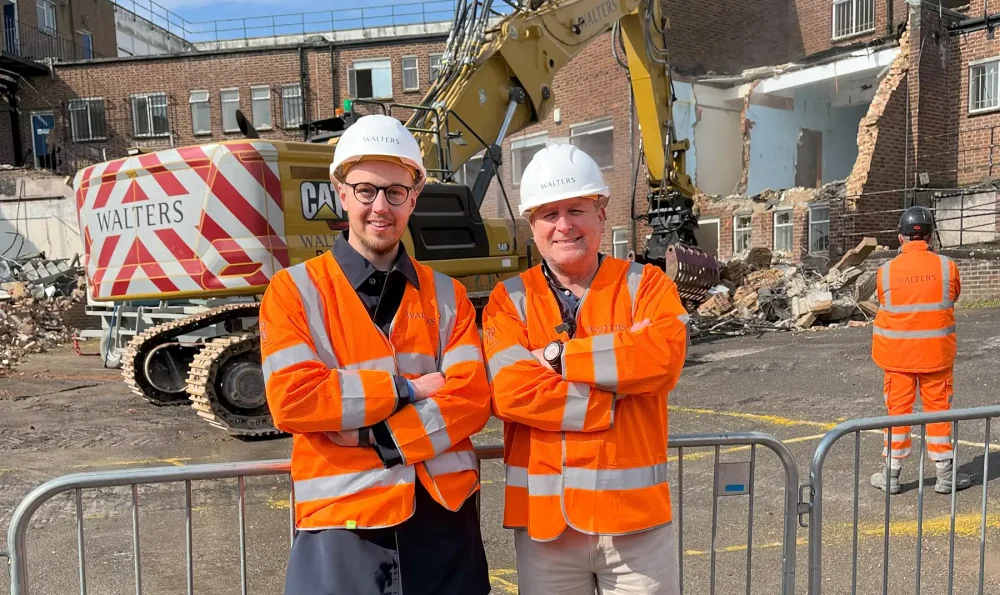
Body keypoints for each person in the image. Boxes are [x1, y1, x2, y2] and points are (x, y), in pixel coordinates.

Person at [259, 114, 492, 595]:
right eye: (366, 190)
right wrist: (407, 389)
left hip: (444, 528)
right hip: (343, 533)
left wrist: (376, 435)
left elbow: (470, 398)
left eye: (396, 191)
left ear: (415, 197)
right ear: (341, 192)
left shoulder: (447, 296)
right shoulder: (293, 292)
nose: (380, 206)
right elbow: (295, 400)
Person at [481, 142, 689, 595]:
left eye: (576, 209)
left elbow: (662, 359)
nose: (563, 225)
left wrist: (558, 358)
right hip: (546, 530)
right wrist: (609, 399)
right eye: (548, 214)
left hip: (636, 528)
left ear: (601, 212)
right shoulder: (508, 300)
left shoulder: (646, 284)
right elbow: (510, 392)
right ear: (531, 224)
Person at [870, 205, 970, 495]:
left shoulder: (885, 271)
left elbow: (883, 300)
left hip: (897, 357)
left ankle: (891, 476)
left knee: (897, 414)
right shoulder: (946, 267)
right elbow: (954, 296)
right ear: (930, 236)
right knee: (938, 413)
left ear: (901, 238)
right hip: (936, 357)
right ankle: (946, 475)